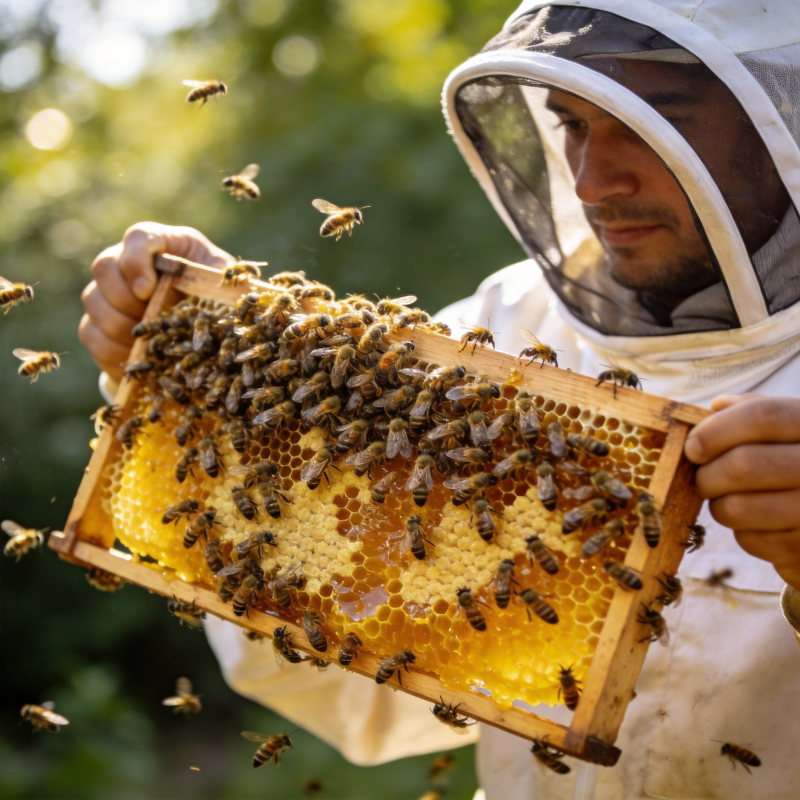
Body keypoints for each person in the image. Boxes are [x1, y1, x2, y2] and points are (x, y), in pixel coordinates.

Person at [80, 1, 800, 797]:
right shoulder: (507, 334)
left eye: (657, 117)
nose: (594, 180)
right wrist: (205, 382)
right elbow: (354, 683)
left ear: (781, 118)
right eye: (572, 124)